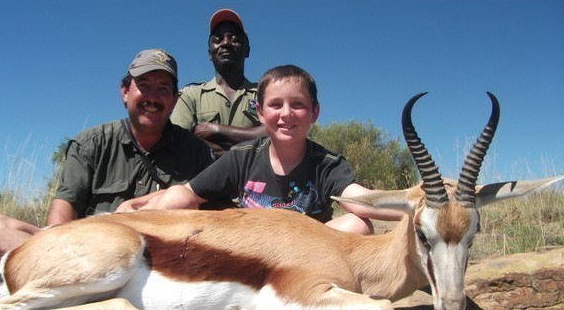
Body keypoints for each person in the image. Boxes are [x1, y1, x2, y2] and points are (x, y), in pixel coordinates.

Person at [0, 49, 214, 260]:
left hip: (161, 261)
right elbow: (60, 221)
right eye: (143, 85)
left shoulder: (196, 151)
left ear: (174, 101)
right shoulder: (90, 143)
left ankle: (65, 286)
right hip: (88, 254)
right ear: (125, 91)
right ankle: (68, 277)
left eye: (163, 89)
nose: (152, 97)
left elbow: (211, 218)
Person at [140, 65, 403, 234]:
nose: (286, 114)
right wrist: (138, 212)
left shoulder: (327, 163)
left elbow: (360, 199)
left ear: (314, 112)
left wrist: (418, 202)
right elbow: (186, 193)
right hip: (255, 252)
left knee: (358, 225)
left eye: (298, 104)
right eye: (276, 105)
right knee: (179, 200)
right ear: (261, 113)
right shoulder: (243, 157)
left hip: (308, 254)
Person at [171, 9, 266, 158]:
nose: (226, 43)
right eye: (218, 39)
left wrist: (216, 130)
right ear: (210, 53)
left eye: (234, 39)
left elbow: (275, 134)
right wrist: (246, 149)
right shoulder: (190, 95)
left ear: (247, 50)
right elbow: (178, 141)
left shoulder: (264, 94)